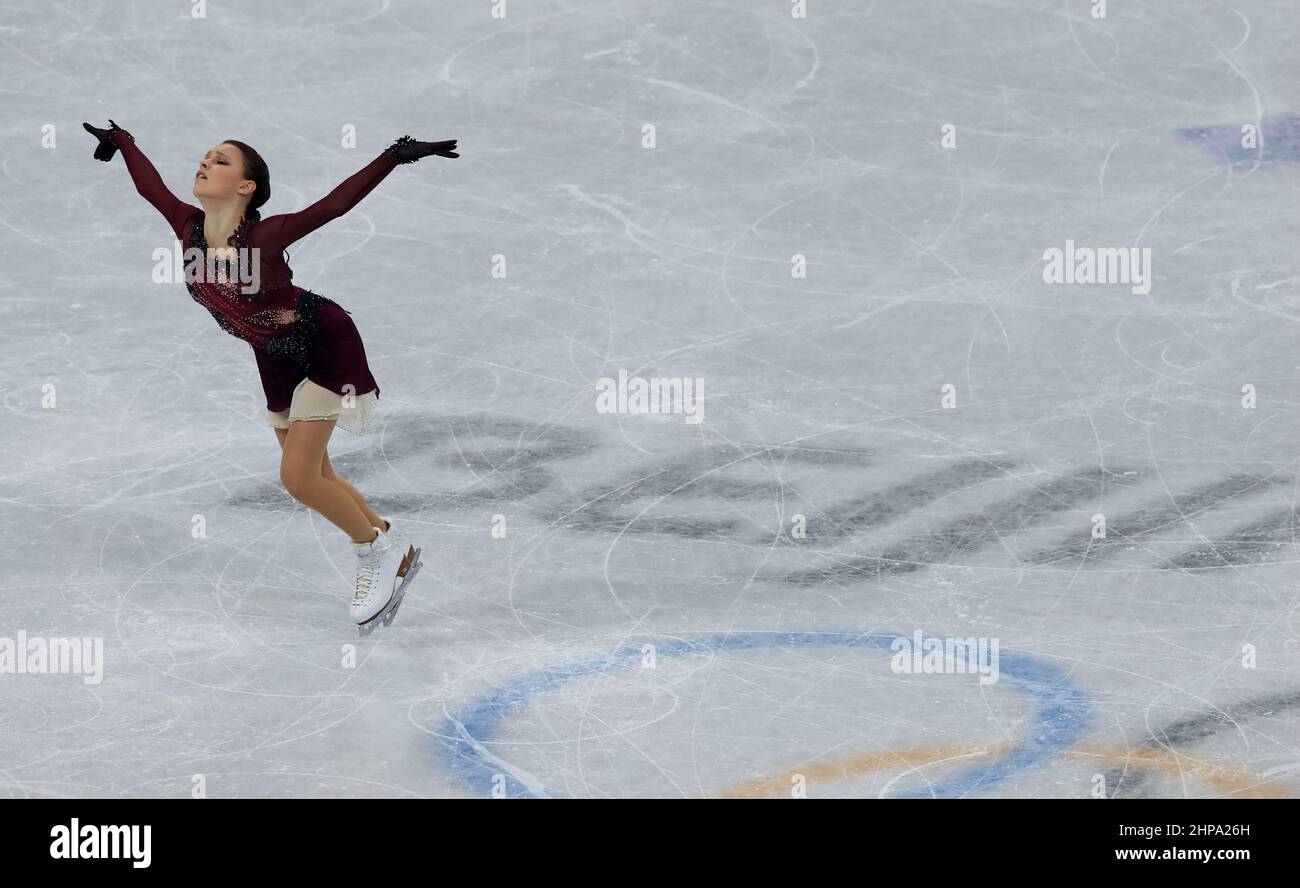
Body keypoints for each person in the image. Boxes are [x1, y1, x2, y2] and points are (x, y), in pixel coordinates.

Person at [82, 119, 458, 632]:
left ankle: (374, 554)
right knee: (314, 473)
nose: (204, 162)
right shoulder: (188, 226)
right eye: (206, 155)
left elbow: (333, 207)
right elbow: (151, 187)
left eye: (220, 160)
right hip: (273, 354)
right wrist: (123, 141)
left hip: (323, 344)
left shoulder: (266, 234)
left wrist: (393, 155)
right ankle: (388, 538)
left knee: (297, 479)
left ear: (245, 186)